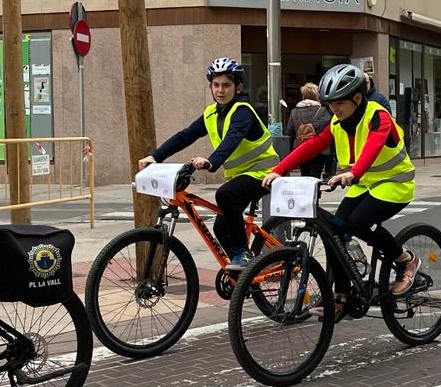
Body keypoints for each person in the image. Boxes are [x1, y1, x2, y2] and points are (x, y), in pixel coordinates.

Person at [263, 62, 420, 298]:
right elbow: (313, 145)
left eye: (339, 103)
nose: (334, 109)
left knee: (357, 223)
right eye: (330, 104)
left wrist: (353, 173)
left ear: (357, 98)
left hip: (394, 184)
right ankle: (342, 295)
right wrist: (280, 169)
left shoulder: (378, 116)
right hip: (363, 185)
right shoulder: (337, 123)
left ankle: (405, 259)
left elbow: (374, 145)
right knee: (333, 232)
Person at [139, 58, 278, 267]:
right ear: (210, 87)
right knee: (221, 227)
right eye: (216, 85)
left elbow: (232, 139)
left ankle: (242, 254)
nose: (220, 90)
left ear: (238, 87)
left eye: (226, 85)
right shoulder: (212, 112)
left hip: (264, 173)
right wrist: (155, 156)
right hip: (240, 176)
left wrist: (210, 161)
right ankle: (245, 275)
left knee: (225, 195)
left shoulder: (243, 111)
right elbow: (186, 135)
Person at [285, 83, 329, 179]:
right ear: (317, 96)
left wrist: (290, 153)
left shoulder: (294, 112)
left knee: (304, 176)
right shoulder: (323, 111)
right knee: (315, 177)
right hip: (319, 150)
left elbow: (289, 133)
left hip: (301, 148)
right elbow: (330, 131)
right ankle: (316, 189)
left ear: (303, 96)